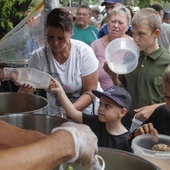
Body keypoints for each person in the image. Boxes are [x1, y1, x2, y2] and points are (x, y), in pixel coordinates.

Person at [18, 8, 100, 117]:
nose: (55, 43)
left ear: (71, 33)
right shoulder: (39, 57)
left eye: (60, 38)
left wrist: (68, 112)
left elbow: (90, 92)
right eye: (50, 37)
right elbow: (25, 92)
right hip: (55, 113)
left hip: (84, 114)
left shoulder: (83, 53)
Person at [104, 8, 170, 128]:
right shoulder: (130, 56)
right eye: (133, 33)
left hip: (157, 128)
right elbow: (123, 87)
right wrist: (113, 76)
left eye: (141, 34)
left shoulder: (167, 62)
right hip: (128, 125)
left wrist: (155, 108)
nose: (135, 39)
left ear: (156, 33)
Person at [49, 77, 133, 152]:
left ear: (122, 112)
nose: (100, 108)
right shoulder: (95, 121)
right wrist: (60, 92)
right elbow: (72, 113)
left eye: (107, 106)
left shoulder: (127, 140)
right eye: (100, 103)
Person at [91, 6, 132, 90]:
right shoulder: (95, 46)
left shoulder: (134, 46)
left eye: (120, 23)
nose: (116, 25)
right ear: (107, 23)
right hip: (100, 98)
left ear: (128, 26)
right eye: (113, 21)